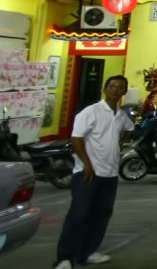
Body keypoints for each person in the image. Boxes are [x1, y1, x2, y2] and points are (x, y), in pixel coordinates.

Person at [55, 75, 133, 269]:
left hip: (110, 173)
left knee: (102, 214)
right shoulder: (91, 112)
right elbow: (76, 138)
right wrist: (87, 163)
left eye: (120, 87)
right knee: (79, 214)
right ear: (105, 89)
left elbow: (129, 129)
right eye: (112, 86)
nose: (115, 90)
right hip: (87, 174)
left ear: (124, 92)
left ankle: (87, 253)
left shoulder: (122, 115)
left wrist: (121, 141)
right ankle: (64, 258)